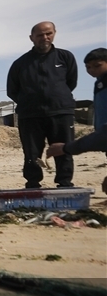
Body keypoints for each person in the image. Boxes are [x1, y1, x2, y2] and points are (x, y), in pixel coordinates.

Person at [6, 22, 78, 188]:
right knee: (31, 153)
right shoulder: (20, 64)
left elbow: (71, 82)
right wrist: (31, 102)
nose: (45, 37)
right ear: (32, 38)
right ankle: (33, 183)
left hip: (61, 112)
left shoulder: (65, 57)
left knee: (64, 149)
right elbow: (12, 90)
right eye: (40, 35)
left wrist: (57, 98)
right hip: (30, 116)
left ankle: (65, 182)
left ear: (54, 33)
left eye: (48, 33)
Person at [46, 48, 107, 194]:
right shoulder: (100, 84)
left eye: (97, 65)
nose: (92, 70)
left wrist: (66, 148)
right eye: (88, 67)